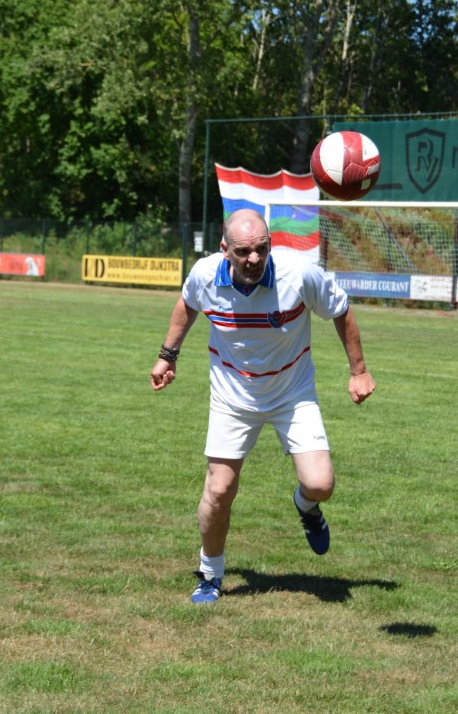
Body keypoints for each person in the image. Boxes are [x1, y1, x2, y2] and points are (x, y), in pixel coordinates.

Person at [150, 209, 375, 603]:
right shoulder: (205, 274)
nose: (254, 258)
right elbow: (187, 305)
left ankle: (306, 507)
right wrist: (168, 356)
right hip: (232, 398)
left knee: (321, 485)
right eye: (243, 251)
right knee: (219, 490)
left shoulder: (299, 274)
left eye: (261, 248)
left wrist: (359, 370)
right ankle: (210, 575)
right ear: (224, 249)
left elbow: (340, 309)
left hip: (292, 393)